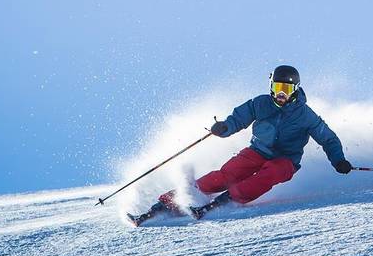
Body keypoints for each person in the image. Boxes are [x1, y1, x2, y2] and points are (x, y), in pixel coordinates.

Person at [132, 65, 352, 224]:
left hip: (286, 160)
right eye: (277, 87)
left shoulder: (305, 115)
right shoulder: (261, 103)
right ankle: (169, 202)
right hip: (257, 151)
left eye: (286, 88)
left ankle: (226, 200)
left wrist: (338, 160)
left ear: (295, 89)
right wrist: (224, 128)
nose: (281, 93)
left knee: (271, 173)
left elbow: (328, 138)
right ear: (271, 86)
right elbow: (238, 118)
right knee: (226, 174)